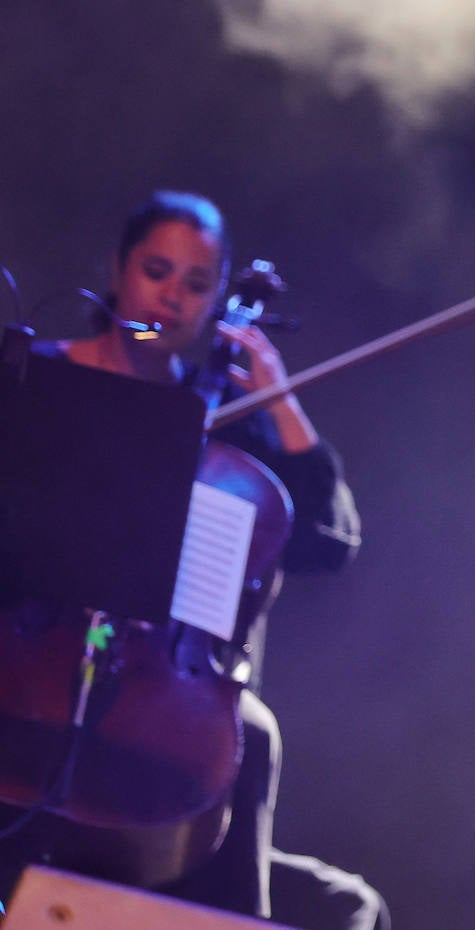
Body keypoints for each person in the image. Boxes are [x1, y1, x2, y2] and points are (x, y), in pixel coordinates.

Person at [1, 191, 384, 929]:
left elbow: (326, 542)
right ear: (118, 271)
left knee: (258, 736)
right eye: (156, 270)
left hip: (149, 688)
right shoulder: (36, 380)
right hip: (25, 646)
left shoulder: (225, 429)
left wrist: (280, 403)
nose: (172, 296)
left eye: (197, 283)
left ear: (216, 300)